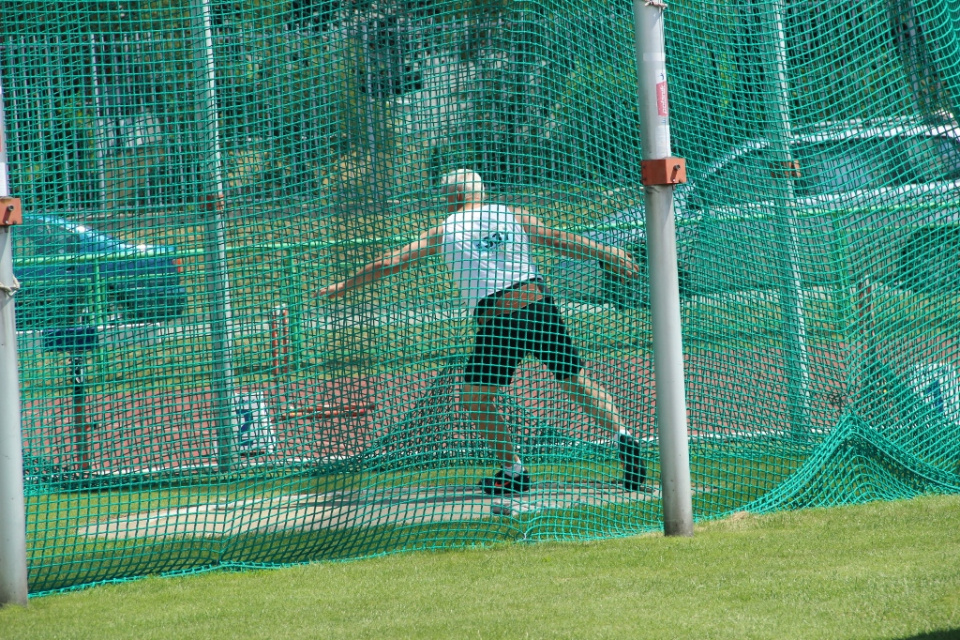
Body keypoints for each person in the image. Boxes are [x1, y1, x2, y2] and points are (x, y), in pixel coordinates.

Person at [318, 169, 647, 495]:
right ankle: (624, 437)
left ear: (455, 196)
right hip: (541, 306)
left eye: (445, 197)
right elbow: (558, 240)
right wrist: (610, 252)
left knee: (475, 398)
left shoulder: (443, 230)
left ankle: (513, 471)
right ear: (480, 191)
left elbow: (392, 262)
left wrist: (344, 285)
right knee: (574, 379)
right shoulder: (512, 214)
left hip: (499, 322)